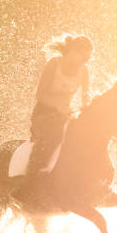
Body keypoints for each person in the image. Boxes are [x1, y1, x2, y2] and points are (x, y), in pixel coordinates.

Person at [26, 33, 93, 176]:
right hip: (43, 114)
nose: (85, 61)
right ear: (73, 52)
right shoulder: (54, 64)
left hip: (65, 116)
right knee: (56, 134)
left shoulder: (84, 71)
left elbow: (86, 96)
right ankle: (34, 176)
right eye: (84, 57)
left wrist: (88, 107)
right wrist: (57, 106)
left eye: (88, 58)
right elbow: (40, 95)